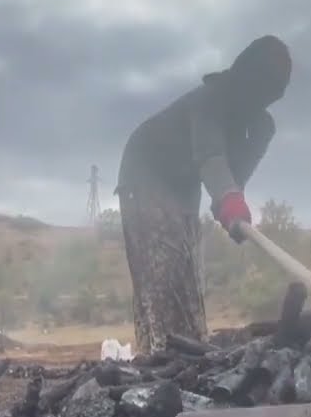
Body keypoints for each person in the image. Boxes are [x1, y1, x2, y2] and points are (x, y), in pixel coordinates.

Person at [115, 35, 292, 354]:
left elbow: (233, 173)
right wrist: (229, 200)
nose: (263, 104)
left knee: (187, 271)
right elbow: (210, 156)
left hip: (183, 184)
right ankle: (159, 355)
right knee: (163, 273)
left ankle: (189, 351)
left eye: (270, 98)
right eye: (260, 93)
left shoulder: (253, 120)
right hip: (145, 171)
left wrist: (229, 202)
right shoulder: (210, 101)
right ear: (245, 79)